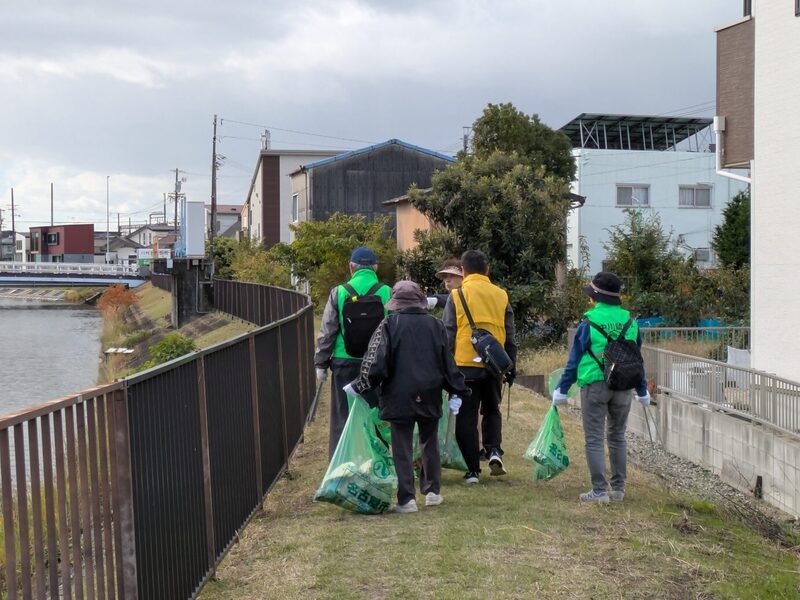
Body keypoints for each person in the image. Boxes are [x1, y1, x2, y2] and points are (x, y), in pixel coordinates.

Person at [346, 280, 470, 513]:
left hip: (398, 393)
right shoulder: (436, 325)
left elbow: (377, 363)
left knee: (401, 444)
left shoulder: (388, 324)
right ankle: (432, 492)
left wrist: (360, 385)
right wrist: (456, 390)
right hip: (430, 391)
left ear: (396, 303)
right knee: (429, 440)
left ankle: (407, 499)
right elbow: (447, 361)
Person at [552, 271, 650, 504]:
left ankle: (599, 492)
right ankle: (618, 489)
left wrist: (562, 389)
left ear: (595, 297)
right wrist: (643, 390)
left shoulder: (589, 322)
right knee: (617, 436)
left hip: (595, 385)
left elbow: (574, 360)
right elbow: (637, 359)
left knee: (594, 438)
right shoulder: (630, 322)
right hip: (624, 386)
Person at [443, 250, 516, 483]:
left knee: (466, 415)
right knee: (492, 409)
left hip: (465, 365)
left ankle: (472, 469)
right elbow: (511, 335)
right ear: (488, 269)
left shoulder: (457, 296)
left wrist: (445, 367)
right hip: (495, 364)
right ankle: (494, 450)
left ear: (463, 271)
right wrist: (511, 365)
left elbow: (448, 334)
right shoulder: (501, 295)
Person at [314, 246, 391, 458]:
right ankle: (378, 461)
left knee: (342, 415)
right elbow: (392, 330)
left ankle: (340, 462)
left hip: (343, 362)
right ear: (375, 268)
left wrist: (321, 363)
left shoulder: (339, 292)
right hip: (376, 364)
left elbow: (328, 330)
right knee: (376, 413)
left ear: (351, 267)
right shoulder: (386, 292)